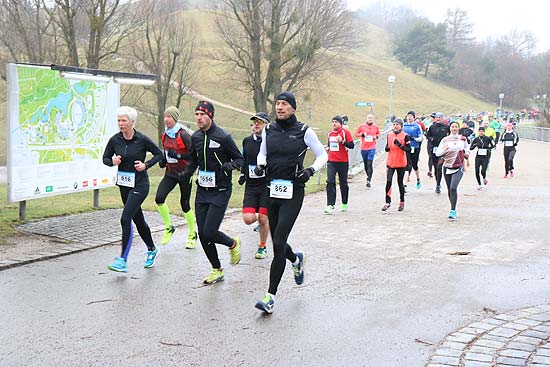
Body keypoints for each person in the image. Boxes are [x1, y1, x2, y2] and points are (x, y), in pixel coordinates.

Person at [254, 91, 327, 313]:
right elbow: (262, 153)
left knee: (277, 243)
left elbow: (323, 155)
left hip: (293, 193)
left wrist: (310, 170)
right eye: (277, 104)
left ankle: (270, 297)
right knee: (278, 239)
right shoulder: (269, 129)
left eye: (284, 104)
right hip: (272, 189)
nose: (279, 107)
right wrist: (260, 165)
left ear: (293, 108)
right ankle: (296, 260)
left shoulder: (304, 131)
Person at [182, 101, 244, 285]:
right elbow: (194, 160)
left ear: (211, 116)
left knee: (209, 230)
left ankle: (233, 243)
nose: (199, 118)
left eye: (202, 114)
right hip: (202, 190)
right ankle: (216, 269)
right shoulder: (196, 137)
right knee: (202, 233)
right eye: (196, 114)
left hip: (221, 190)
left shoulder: (223, 136)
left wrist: (228, 166)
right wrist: (186, 173)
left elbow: (240, 159)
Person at [102, 106, 163, 272]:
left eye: (124, 121)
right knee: (138, 220)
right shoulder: (115, 140)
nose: (120, 124)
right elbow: (105, 158)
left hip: (140, 185)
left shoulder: (141, 139)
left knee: (125, 218)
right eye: (119, 121)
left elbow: (159, 154)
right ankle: (152, 249)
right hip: (124, 185)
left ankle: (122, 259)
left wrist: (146, 165)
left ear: (132, 122)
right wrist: (112, 162)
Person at [155, 106, 197, 249]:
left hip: (185, 173)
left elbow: (193, 156)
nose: (166, 119)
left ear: (175, 119)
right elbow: (166, 152)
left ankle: (192, 234)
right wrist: (163, 160)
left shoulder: (183, 134)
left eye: (170, 117)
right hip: (171, 173)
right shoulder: (165, 134)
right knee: (159, 198)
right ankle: (169, 227)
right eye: (165, 116)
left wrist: (178, 156)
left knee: (184, 205)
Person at [239, 112, 271, 259]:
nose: (256, 124)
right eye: (254, 122)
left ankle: (262, 246)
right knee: (248, 219)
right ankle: (263, 216)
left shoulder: (270, 141)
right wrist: (242, 174)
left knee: (263, 219)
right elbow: (244, 159)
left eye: (260, 122)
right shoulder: (247, 141)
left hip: (266, 185)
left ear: (266, 125)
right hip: (251, 186)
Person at [435, 121, 469, 219]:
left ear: (458, 128)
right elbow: (438, 153)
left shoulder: (463, 139)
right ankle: (452, 207)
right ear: (450, 128)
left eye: (456, 127)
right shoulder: (445, 140)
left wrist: (467, 153)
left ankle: (453, 210)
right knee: (449, 189)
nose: (454, 128)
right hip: (447, 166)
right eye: (452, 127)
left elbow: (467, 148)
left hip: (459, 166)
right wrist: (444, 149)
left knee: (453, 187)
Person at [325, 115, 354, 214]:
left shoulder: (345, 133)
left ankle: (344, 203)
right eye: (332, 122)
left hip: (342, 162)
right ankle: (330, 205)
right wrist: (328, 148)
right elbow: (329, 145)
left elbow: (352, 145)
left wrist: (342, 141)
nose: (334, 124)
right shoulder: (330, 133)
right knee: (330, 181)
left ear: (340, 123)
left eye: (336, 122)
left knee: (343, 183)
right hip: (331, 161)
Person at [382, 118, 410, 212]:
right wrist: (386, 148)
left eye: (397, 124)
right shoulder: (389, 135)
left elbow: (408, 149)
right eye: (394, 124)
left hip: (401, 163)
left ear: (401, 126)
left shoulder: (405, 136)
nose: (395, 126)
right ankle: (387, 202)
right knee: (388, 181)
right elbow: (387, 146)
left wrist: (400, 145)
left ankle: (402, 201)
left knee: (400, 183)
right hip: (390, 162)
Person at [426, 112, 450, 193]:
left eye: (440, 117)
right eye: (437, 117)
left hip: (442, 150)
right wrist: (431, 139)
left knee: (439, 166)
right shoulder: (432, 127)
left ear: (442, 118)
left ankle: (440, 184)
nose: (438, 119)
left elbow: (450, 136)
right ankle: (438, 183)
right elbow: (427, 136)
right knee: (436, 167)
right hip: (434, 149)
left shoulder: (446, 127)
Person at [354, 113, 380, 188]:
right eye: (369, 118)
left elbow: (378, 133)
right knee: (365, 164)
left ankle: (369, 180)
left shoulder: (375, 127)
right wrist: (362, 134)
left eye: (371, 118)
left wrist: (376, 137)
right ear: (366, 119)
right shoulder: (362, 126)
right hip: (364, 148)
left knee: (369, 163)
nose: (370, 119)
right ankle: (368, 175)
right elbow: (356, 134)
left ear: (373, 119)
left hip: (372, 147)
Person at [403, 111, 423, 190]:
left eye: (411, 116)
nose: (409, 117)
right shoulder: (404, 126)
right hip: (406, 148)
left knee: (414, 165)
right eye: (408, 116)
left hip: (415, 148)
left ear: (414, 117)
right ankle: (405, 185)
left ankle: (418, 178)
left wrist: (414, 139)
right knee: (407, 165)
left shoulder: (417, 126)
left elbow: (421, 138)